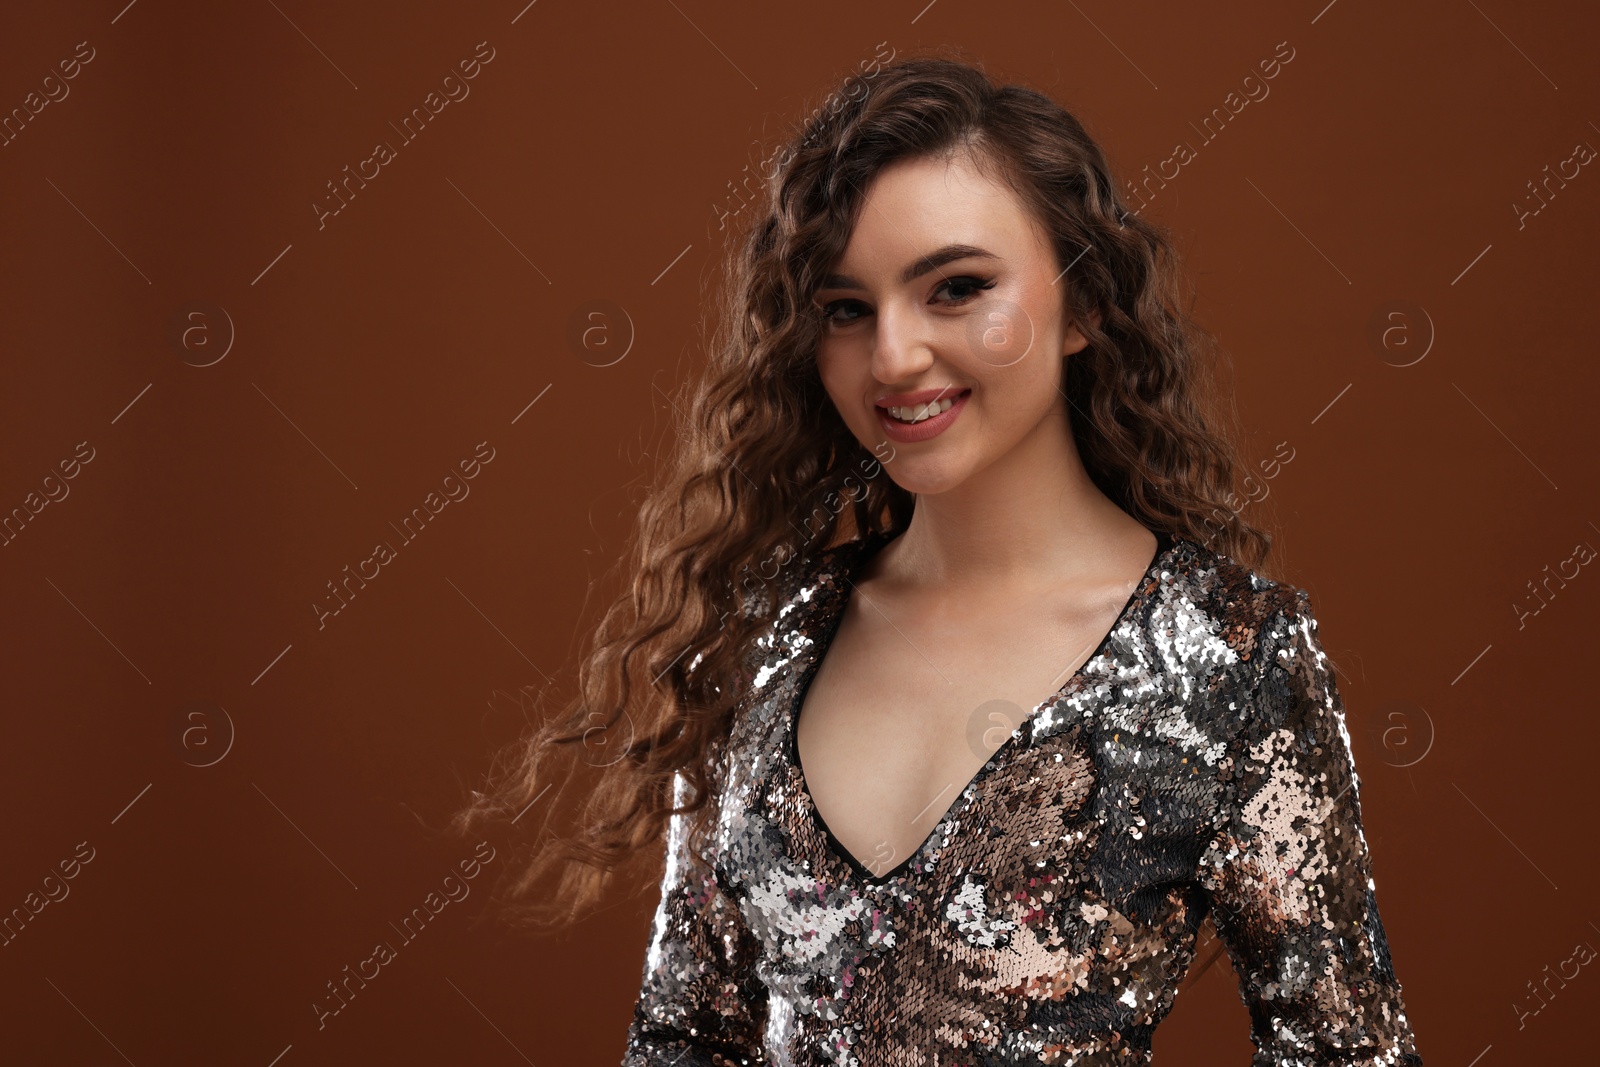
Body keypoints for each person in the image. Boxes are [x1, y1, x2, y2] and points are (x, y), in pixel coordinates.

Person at [454, 52, 1423, 1065]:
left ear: (1082, 304)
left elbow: (1345, 1050)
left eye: (955, 287)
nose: (893, 357)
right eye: (845, 308)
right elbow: (683, 1036)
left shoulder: (1232, 656)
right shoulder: (760, 643)